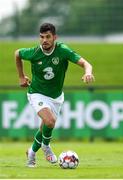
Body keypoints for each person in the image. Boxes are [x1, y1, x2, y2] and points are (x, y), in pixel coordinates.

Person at [15, 23, 95, 168]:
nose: (44, 40)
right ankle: (46, 146)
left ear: (54, 37)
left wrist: (88, 72)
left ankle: (31, 153)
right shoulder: (34, 52)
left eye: (47, 37)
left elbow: (86, 64)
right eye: (41, 37)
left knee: (44, 127)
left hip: (56, 97)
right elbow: (17, 54)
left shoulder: (63, 50)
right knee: (50, 121)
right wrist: (21, 76)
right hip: (37, 93)